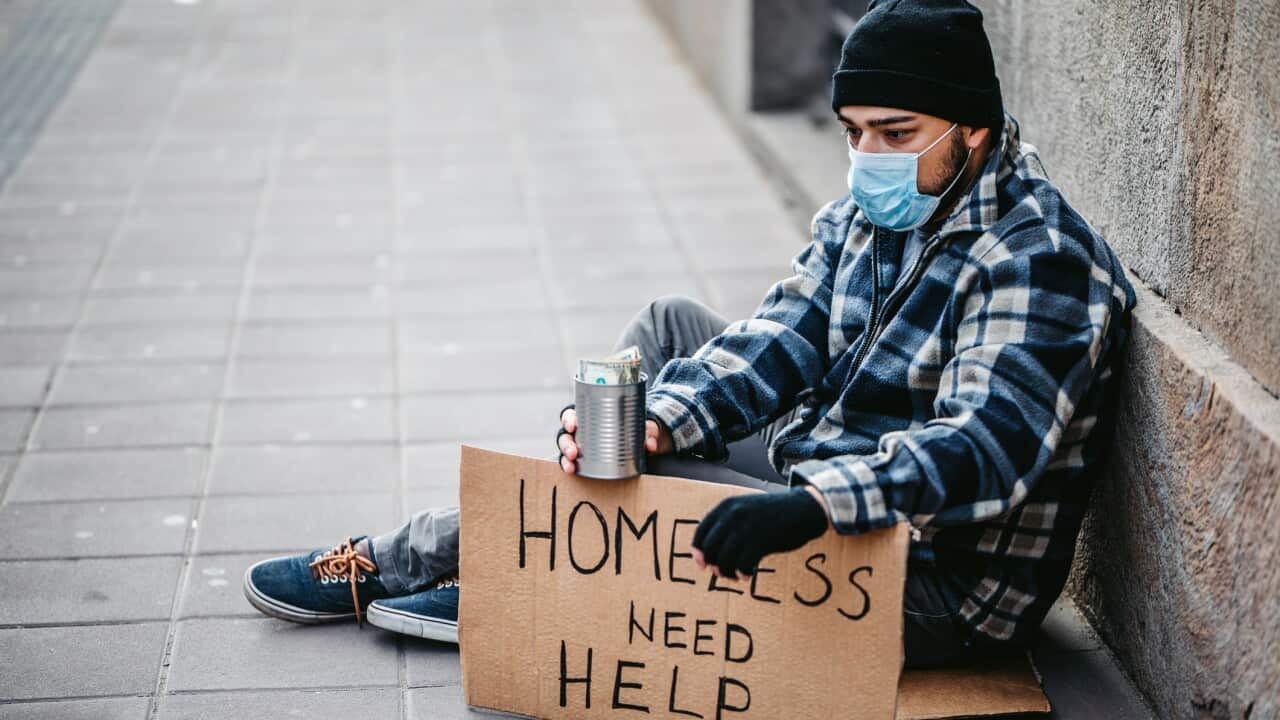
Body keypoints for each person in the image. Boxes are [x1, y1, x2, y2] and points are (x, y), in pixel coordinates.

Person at [243, 0, 1136, 668]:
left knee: (642, 477)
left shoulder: (1041, 261)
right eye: (854, 133)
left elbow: (983, 449)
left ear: (974, 131)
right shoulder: (882, 207)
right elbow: (784, 334)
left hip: (932, 575)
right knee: (661, 348)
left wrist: (815, 505)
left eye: (895, 133)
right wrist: (663, 421)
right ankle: (522, 553)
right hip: (828, 466)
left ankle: (466, 566)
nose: (869, 159)